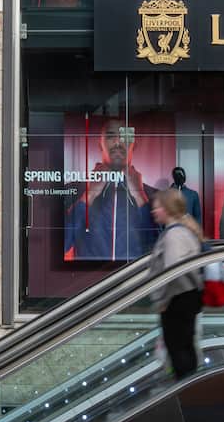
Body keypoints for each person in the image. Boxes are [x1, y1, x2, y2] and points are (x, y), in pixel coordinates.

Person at [65, 119, 158, 260]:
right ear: (100, 144)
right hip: (92, 281)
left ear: (134, 145)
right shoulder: (73, 191)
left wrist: (140, 197)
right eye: (110, 136)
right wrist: (89, 196)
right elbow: (63, 243)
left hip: (137, 281)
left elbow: (159, 248)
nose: (117, 142)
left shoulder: (153, 196)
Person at [149, 188, 204, 380]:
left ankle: (185, 395)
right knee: (185, 349)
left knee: (179, 353)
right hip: (186, 298)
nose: (153, 211)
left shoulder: (173, 235)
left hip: (177, 302)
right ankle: (190, 393)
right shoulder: (183, 231)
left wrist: (163, 301)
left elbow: (173, 271)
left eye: (157, 207)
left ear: (168, 209)